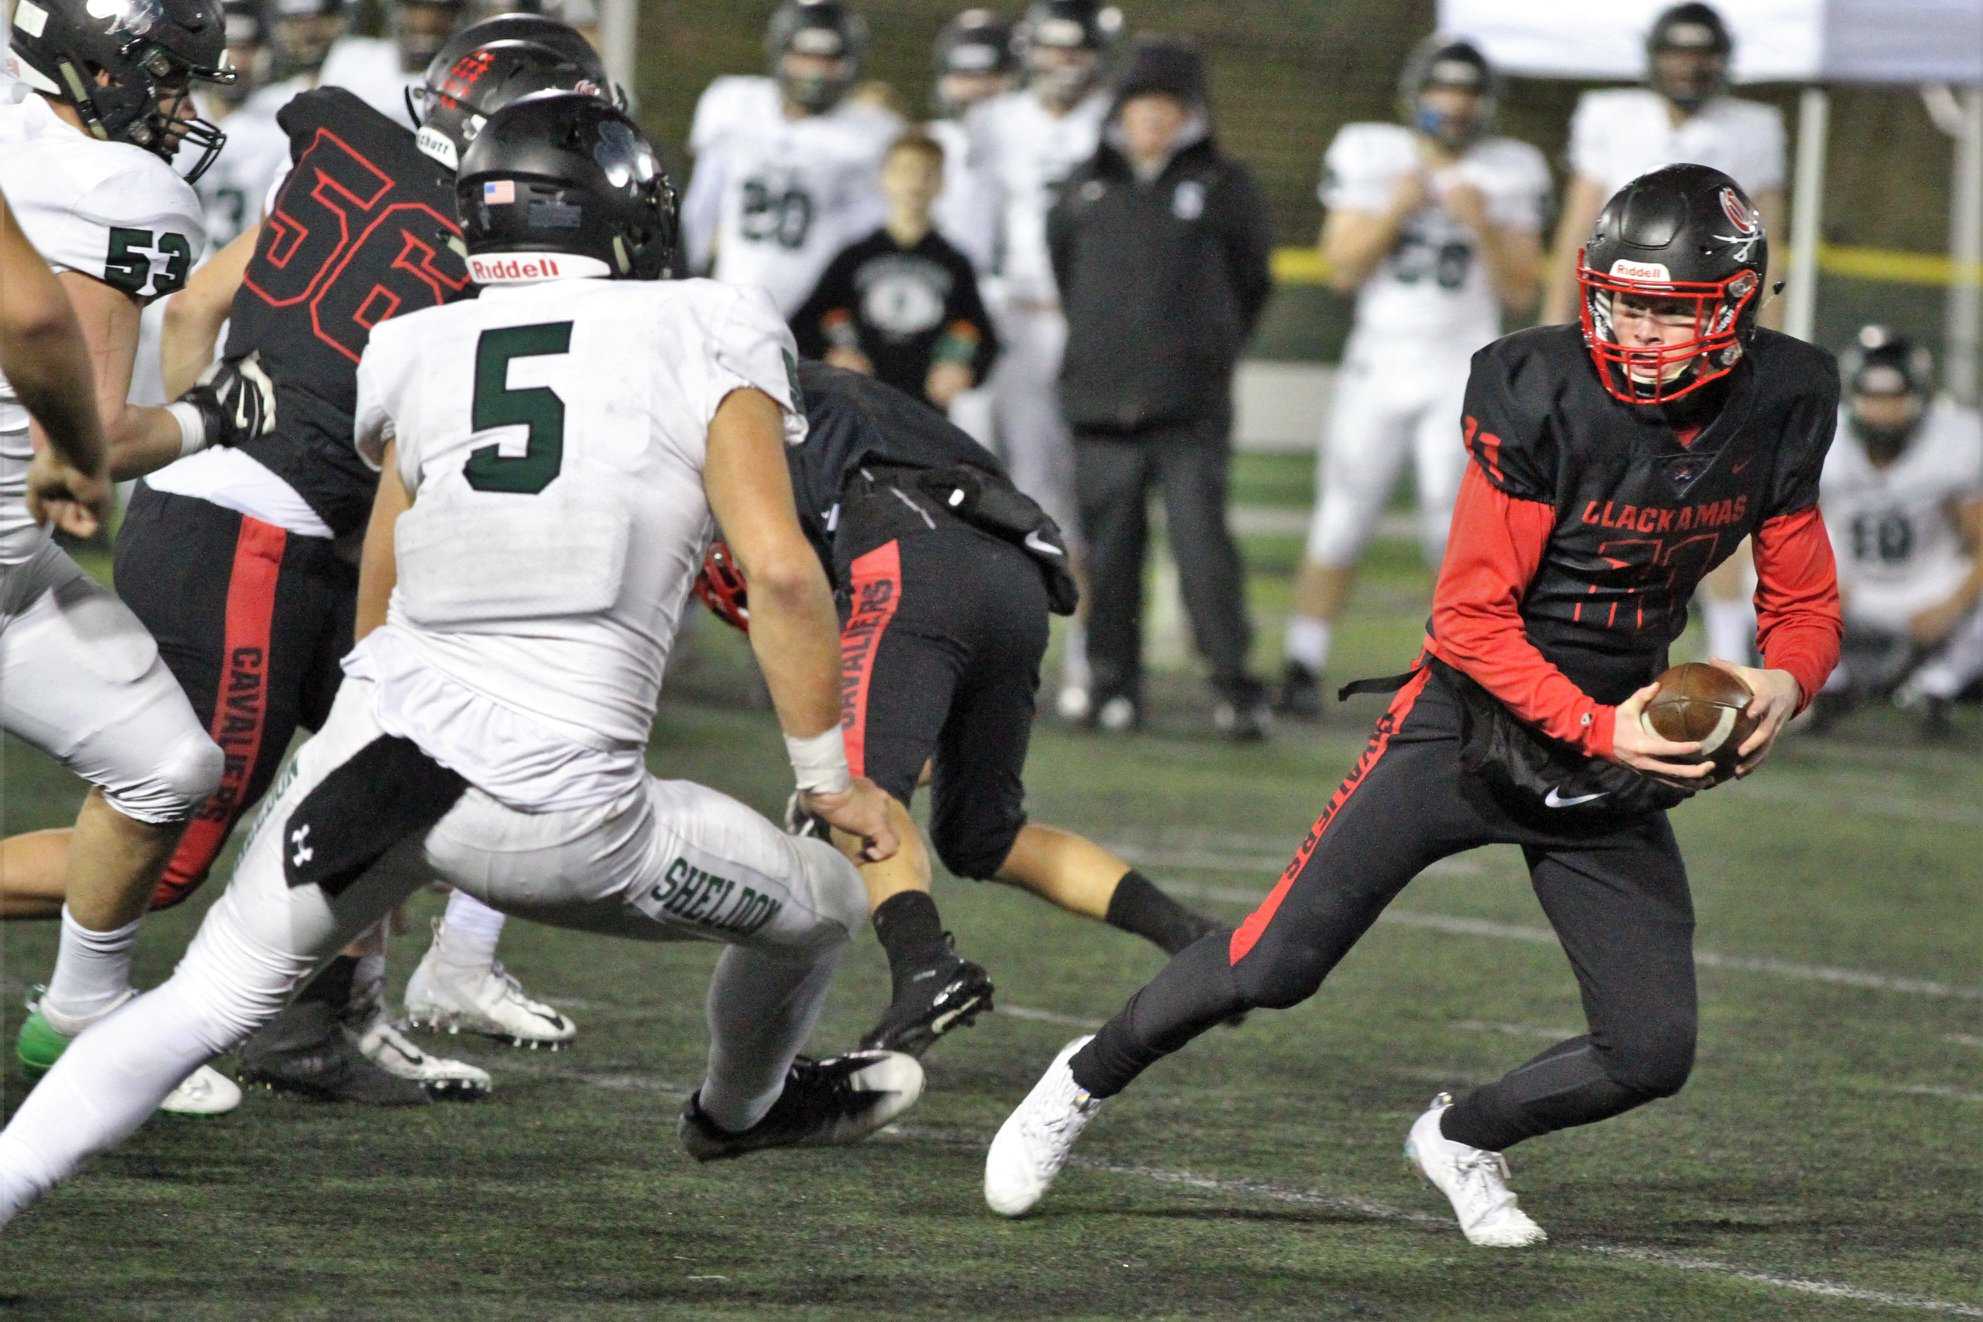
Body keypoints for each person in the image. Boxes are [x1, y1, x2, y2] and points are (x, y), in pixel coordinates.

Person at [0, 93, 923, 1227]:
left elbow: (380, 581)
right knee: (824, 900)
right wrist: (828, 776)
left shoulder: (419, 340)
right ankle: (738, 1109)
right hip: (562, 809)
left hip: (377, 762)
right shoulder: (706, 320)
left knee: (194, 1003)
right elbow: (778, 572)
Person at [984, 165, 1844, 1247]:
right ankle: (1082, 1076)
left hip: (1613, 739)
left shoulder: (1782, 398)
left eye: (1664, 312)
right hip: (1471, 724)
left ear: (1736, 306)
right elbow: (1470, 621)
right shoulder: (1541, 385)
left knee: (1648, 1052)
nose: (1633, 331)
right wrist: (1600, 725)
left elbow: (1802, 602)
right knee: (1275, 964)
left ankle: (1461, 1136)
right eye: (1619, 302)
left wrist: (1782, 681)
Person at [6, 14, 609, 1105]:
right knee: (169, 850)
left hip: (273, 516)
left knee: (391, 771)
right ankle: (97, 1014)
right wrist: (214, 439)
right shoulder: (500, 241)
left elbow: (200, 307)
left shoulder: (347, 150)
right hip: (259, 534)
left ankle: (328, 1017)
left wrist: (208, 433)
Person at [695, 360, 1227, 1054]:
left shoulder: (734, 408)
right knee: (983, 836)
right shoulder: (849, 402)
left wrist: (838, 780)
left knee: (853, 794)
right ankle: (1196, 940)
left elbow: (788, 579)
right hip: (1011, 573)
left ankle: (927, 970)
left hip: (910, 552)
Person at [1, 0, 293, 1117]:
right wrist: (216, 415)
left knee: (168, 766)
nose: (183, 104)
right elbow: (91, 440)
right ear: (99, 63)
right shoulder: (119, 188)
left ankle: (83, 1012)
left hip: (15, 573)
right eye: (168, 76)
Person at [1277, 37, 1549, 719]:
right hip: (1380, 357)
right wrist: (1396, 209)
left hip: (1464, 366)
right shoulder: (1372, 153)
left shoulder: (1509, 170)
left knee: (1450, 528)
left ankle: (1456, 666)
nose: (1453, 105)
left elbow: (1521, 290)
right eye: (1442, 89)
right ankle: (1302, 660)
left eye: (1467, 93)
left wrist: (1481, 225)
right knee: (1342, 515)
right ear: (1416, 94)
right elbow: (1341, 269)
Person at [1540, 2, 1789, 668]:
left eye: (1701, 55)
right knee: (1605, 484)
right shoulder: (1610, 115)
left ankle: (1730, 645)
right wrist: (1556, 329)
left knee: (1715, 484)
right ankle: (1590, 628)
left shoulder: (1753, 127)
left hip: (1704, 328)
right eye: (1677, 53)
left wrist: (1761, 340)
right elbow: (1577, 227)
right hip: (1620, 320)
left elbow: (1769, 244)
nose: (1688, 67)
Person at [1048, 37, 1273, 738]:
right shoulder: (1083, 186)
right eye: (1141, 103)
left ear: (1190, 114)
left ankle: (1234, 685)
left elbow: (1252, 281)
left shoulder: (1225, 186)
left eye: (1168, 104)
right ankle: (1112, 682)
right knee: (1108, 558)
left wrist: (1203, 355)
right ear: (1121, 110)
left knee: (1203, 552)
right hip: (1099, 406)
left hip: (1188, 410)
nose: (1153, 117)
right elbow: (1065, 271)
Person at [965, 0, 1122, 722]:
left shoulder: (1114, 121)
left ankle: (1086, 658)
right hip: (1003, 319)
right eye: (1052, 48)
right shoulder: (994, 120)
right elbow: (974, 229)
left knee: (1067, 500)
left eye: (1075, 50)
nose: (1063, 63)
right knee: (972, 487)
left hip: (1082, 323)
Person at [679, 0, 901, 317]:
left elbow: (871, 236)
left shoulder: (872, 133)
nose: (815, 71)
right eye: (805, 56)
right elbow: (701, 209)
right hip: (732, 303)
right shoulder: (734, 103)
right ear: (781, 52)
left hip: (818, 313)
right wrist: (681, 276)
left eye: (829, 60)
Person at [1813, 327, 1983, 739]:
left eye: (1894, 398)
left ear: (1919, 397)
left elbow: (1979, 539)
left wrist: (1954, 604)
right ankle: (1829, 684)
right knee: (1753, 566)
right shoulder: (1822, 435)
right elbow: (1788, 527)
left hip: (1928, 586)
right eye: (1872, 397)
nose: (1882, 411)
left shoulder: (1954, 441)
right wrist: (1816, 581)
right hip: (1846, 581)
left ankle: (1937, 685)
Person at [790, 132, 1000, 415]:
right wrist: (831, 355)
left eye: (927, 172)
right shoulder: (854, 257)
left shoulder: (954, 263)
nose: (915, 182)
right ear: (883, 178)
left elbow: (982, 336)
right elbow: (803, 325)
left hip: (924, 414)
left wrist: (963, 369)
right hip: (858, 409)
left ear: (942, 184)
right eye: (904, 170)